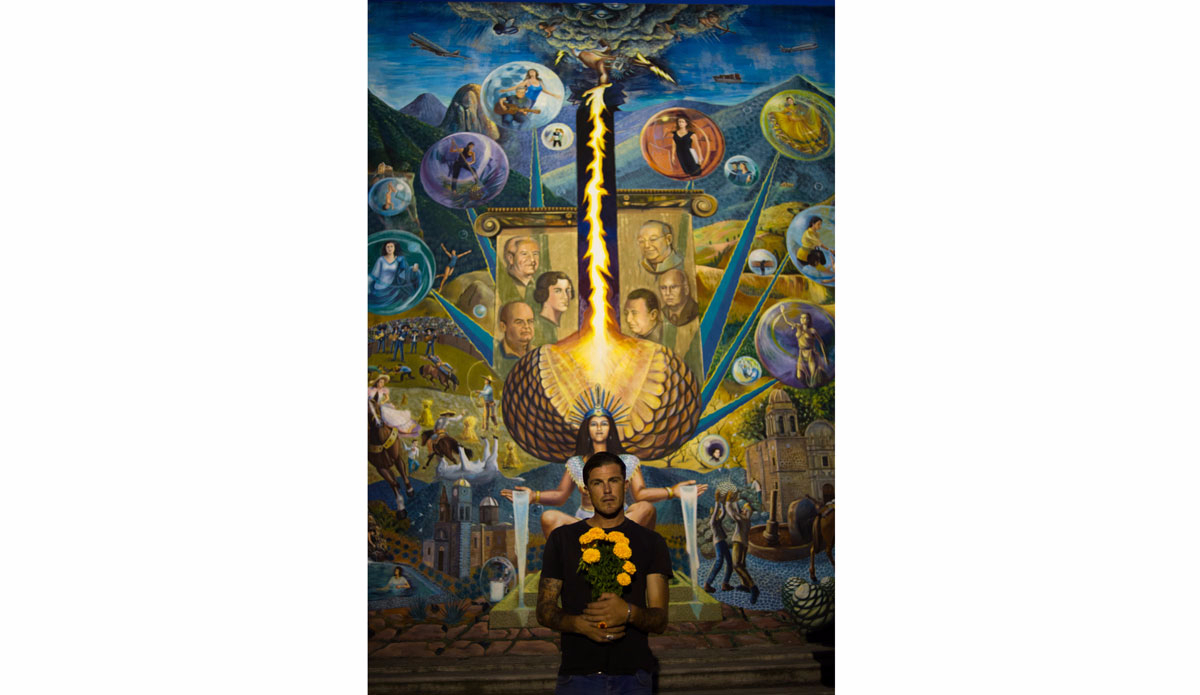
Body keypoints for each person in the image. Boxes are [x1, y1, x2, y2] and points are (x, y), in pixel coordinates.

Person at [536, 452, 671, 694]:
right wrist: (579, 624)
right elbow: (544, 610)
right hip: (577, 676)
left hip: (633, 677)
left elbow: (660, 620)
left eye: (614, 481)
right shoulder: (562, 539)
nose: (607, 490)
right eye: (598, 483)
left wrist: (628, 612)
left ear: (625, 485)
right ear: (586, 490)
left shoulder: (651, 542)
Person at [503, 406, 703, 537]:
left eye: (604, 424)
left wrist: (672, 491)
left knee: (645, 508)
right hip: (586, 524)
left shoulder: (628, 460)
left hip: (620, 523)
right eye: (594, 424)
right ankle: (581, 560)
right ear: (587, 429)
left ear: (611, 428)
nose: (599, 428)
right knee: (549, 518)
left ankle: (616, 545)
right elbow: (561, 495)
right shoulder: (576, 463)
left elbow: (640, 494)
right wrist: (533, 496)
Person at [724, 492, 760, 604]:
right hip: (744, 544)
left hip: (738, 542)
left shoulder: (742, 519)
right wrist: (735, 500)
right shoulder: (747, 520)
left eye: (744, 509)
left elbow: (732, 512)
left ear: (746, 512)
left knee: (736, 565)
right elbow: (737, 511)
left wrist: (728, 501)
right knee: (742, 564)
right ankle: (745, 585)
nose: (742, 510)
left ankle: (753, 587)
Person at [781, 310, 829, 387]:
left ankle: (813, 389)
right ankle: (805, 387)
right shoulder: (798, 327)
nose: (803, 319)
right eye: (801, 318)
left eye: (805, 318)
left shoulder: (812, 331)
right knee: (799, 376)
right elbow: (788, 322)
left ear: (808, 320)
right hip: (801, 353)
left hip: (811, 353)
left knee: (813, 375)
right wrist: (783, 313)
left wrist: (825, 357)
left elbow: (821, 343)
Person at [704, 491, 734, 593]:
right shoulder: (712, 522)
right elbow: (716, 511)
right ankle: (707, 584)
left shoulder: (718, 521)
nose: (718, 513)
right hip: (719, 544)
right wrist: (717, 501)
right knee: (719, 562)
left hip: (722, 542)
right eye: (717, 513)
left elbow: (723, 513)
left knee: (729, 562)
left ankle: (725, 583)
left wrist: (722, 502)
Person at [533, 271, 574, 346]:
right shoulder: (537, 327)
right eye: (558, 291)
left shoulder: (559, 329)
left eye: (568, 290)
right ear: (544, 294)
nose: (565, 296)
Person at [496, 301, 535, 378]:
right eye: (519, 322)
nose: (526, 326)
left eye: (530, 321)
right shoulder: (494, 355)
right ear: (503, 326)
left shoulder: (538, 354)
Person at [369, 241, 414, 308]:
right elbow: (374, 275)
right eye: (388, 247)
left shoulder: (399, 260)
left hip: (392, 288)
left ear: (394, 248)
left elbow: (402, 276)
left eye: (391, 246)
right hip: (379, 288)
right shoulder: (381, 259)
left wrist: (403, 264)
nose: (389, 248)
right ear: (385, 248)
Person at [500, 236, 540, 303]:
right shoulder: (503, 284)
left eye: (535, 254)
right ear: (510, 258)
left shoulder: (539, 284)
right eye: (524, 254)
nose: (532, 259)